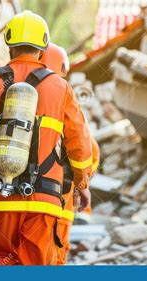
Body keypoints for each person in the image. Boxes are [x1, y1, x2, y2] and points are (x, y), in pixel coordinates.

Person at [0, 10, 93, 265]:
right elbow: (79, 142)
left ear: (9, 44)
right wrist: (82, 184)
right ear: (43, 47)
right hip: (43, 199)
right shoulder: (60, 88)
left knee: (4, 263)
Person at [40, 42, 100, 264]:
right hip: (56, 201)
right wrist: (82, 185)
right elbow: (85, 145)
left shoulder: (10, 92)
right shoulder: (62, 94)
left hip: (7, 200)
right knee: (51, 259)